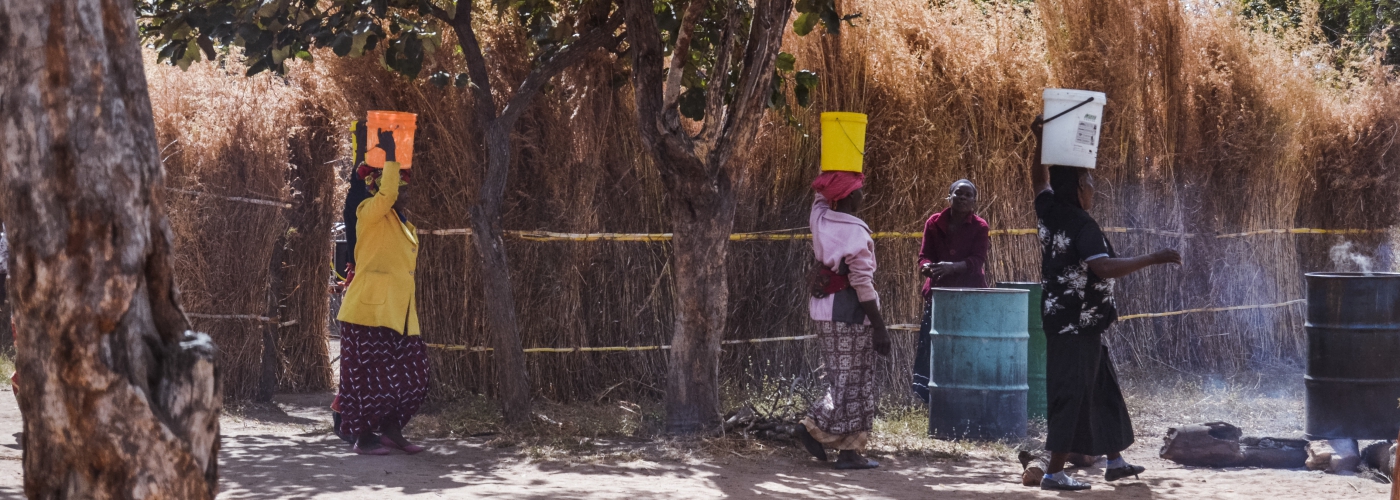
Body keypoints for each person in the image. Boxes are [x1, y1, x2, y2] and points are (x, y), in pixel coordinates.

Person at [1029, 116, 1181, 490]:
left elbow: (1039, 180)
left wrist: (1040, 142)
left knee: (1102, 389)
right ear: (1080, 186)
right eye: (1090, 182)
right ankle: (1053, 472)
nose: (1094, 188)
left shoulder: (1050, 211)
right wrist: (1152, 258)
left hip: (1073, 321)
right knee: (1071, 393)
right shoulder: (1083, 225)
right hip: (1076, 324)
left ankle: (1114, 461)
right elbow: (1103, 267)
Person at [335, 129, 429, 455]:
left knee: (415, 376)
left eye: (404, 185)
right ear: (382, 186)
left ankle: (391, 430)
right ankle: (363, 438)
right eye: (400, 184)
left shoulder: (401, 221)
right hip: (368, 312)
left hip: (398, 314)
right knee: (369, 381)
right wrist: (391, 155)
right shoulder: (369, 212)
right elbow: (387, 193)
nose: (405, 191)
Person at [794, 170, 893, 470]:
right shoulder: (856, 233)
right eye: (860, 190)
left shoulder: (821, 218)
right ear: (851, 196)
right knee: (854, 381)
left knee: (844, 377)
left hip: (823, 311)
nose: (864, 195)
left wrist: (836, 162)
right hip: (850, 314)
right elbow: (863, 285)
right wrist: (879, 327)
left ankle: (850, 452)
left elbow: (820, 194)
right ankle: (811, 424)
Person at [911, 179, 990, 401]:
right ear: (950, 196)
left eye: (968, 195)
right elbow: (924, 255)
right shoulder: (934, 223)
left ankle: (964, 393)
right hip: (939, 293)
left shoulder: (980, 226)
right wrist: (927, 267)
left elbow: (977, 261)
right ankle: (925, 394)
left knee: (966, 344)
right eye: (958, 193)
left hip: (969, 293)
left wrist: (951, 267)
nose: (963, 198)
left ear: (974, 201)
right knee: (932, 342)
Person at [332, 120, 374, 445]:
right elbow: (357, 190)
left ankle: (347, 411)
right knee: (362, 353)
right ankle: (348, 414)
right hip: (363, 282)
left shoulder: (373, 205)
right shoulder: (363, 205)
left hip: (369, 281)